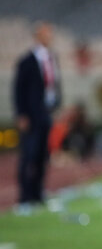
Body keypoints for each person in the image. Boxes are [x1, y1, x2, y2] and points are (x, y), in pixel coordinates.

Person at [12, 22, 62, 215]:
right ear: (37, 36)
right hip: (31, 115)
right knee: (28, 155)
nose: (49, 37)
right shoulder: (27, 61)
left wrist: (57, 104)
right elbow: (18, 89)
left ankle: (38, 194)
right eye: (46, 34)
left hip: (46, 113)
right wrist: (21, 114)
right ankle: (24, 196)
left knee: (42, 155)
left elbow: (54, 85)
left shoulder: (52, 58)